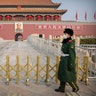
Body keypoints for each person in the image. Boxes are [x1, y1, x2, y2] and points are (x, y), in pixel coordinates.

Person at [55, 28, 79, 93]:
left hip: (67, 61)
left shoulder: (70, 43)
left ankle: (75, 87)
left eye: (65, 34)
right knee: (62, 74)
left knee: (68, 76)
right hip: (63, 60)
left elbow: (72, 55)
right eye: (64, 33)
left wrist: (71, 64)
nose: (64, 35)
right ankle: (61, 88)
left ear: (69, 35)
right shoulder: (65, 42)